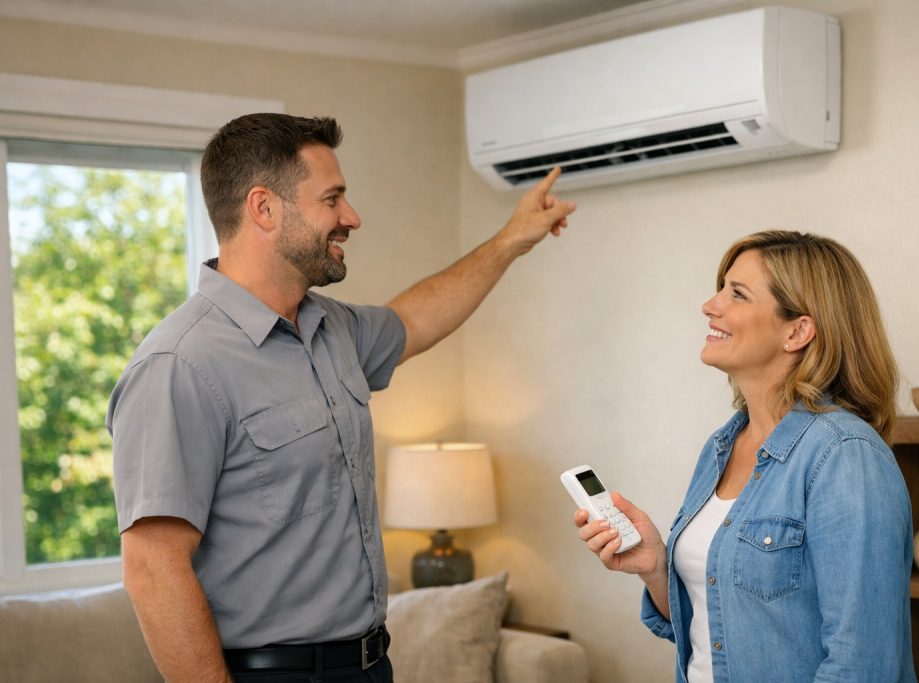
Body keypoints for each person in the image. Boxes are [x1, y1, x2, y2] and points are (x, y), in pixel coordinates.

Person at [106, 113, 575, 683]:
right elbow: (153, 567)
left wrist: (510, 240)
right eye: (332, 199)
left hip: (370, 665)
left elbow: (414, 319)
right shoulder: (180, 365)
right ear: (264, 208)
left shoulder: (331, 328)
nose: (350, 218)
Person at [574, 231, 915, 682]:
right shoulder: (722, 446)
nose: (709, 305)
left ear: (797, 331)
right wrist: (655, 565)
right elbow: (721, 635)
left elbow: (863, 665)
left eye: (737, 294)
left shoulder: (845, 456)